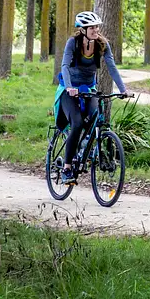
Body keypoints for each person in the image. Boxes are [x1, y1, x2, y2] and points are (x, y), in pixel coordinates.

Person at [55, 11, 132, 184]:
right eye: (92, 27)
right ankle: (67, 168)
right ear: (82, 30)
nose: (96, 30)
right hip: (69, 89)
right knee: (77, 123)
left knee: (94, 118)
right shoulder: (72, 43)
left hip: (88, 88)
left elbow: (112, 68)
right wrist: (68, 87)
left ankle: (85, 148)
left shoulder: (102, 44)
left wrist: (123, 89)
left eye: (97, 26)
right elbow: (65, 66)